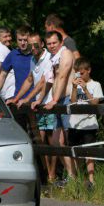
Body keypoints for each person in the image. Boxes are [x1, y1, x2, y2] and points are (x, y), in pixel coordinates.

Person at [9, 33, 55, 183]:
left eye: (36, 45)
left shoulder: (48, 58)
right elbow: (30, 79)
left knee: (52, 142)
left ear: (42, 44)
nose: (33, 48)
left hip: (49, 102)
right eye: (30, 45)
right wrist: (17, 98)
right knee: (40, 141)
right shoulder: (32, 60)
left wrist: (27, 99)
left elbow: (43, 81)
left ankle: (52, 176)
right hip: (40, 105)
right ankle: (45, 176)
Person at [32, 31, 76, 183]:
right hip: (58, 101)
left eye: (54, 43)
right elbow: (48, 81)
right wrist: (40, 99)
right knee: (57, 142)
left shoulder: (66, 54)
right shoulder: (52, 58)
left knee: (68, 141)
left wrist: (55, 99)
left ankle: (74, 177)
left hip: (66, 100)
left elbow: (63, 76)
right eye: (49, 43)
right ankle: (71, 176)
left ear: (61, 42)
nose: (51, 46)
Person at [68, 58, 103, 189]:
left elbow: (95, 103)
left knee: (89, 153)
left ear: (89, 71)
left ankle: (91, 180)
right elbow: (72, 102)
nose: (79, 76)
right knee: (75, 152)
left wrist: (86, 89)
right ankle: (77, 178)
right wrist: (74, 87)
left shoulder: (96, 85)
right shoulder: (74, 85)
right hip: (74, 123)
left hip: (89, 124)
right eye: (77, 73)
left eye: (81, 73)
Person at [0, 26, 33, 101]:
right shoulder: (13, 54)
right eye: (20, 40)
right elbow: (2, 75)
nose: (22, 43)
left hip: (35, 99)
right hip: (18, 98)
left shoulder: (35, 54)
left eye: (25, 40)